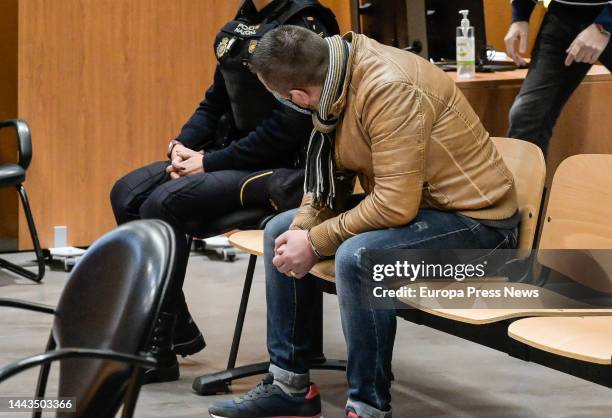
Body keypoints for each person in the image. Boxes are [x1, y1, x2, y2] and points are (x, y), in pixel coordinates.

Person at [208, 26, 520, 418]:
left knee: (359, 258)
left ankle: (368, 407)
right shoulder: (337, 76)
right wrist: (304, 227)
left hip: (479, 224)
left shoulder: (389, 89)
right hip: (422, 208)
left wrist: (317, 241)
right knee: (279, 230)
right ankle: (289, 387)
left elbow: (393, 206)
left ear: (299, 97)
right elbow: (329, 184)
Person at [110, 0, 338, 384]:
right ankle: (174, 329)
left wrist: (208, 164)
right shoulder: (245, 20)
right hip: (233, 154)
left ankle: (157, 347)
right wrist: (182, 145)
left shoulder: (306, 22)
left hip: (286, 171)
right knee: (126, 193)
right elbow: (214, 101)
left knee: (162, 203)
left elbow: (290, 127)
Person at [505, 0, 612, 155]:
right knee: (527, 115)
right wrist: (521, 14)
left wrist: (605, 25)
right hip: (563, 16)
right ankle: (526, 179)